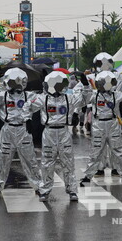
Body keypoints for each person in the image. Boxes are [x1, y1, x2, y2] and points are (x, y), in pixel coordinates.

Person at [26, 71, 90, 202]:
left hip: (63, 132)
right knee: (47, 163)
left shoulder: (68, 98)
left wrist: (86, 84)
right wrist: (27, 119)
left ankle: (72, 190)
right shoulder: (43, 98)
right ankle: (45, 190)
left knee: (68, 162)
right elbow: (27, 106)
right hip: (49, 132)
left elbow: (85, 99)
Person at [80, 70, 122, 186]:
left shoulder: (115, 94)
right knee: (95, 152)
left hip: (112, 124)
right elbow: (85, 99)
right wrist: (86, 85)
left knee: (118, 151)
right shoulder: (94, 94)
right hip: (98, 125)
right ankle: (88, 176)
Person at [0, 68, 40, 194]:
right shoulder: (1, 95)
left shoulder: (29, 96)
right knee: (2, 159)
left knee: (30, 159)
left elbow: (44, 101)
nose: (16, 84)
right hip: (8, 129)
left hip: (23, 129)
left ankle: (38, 185)